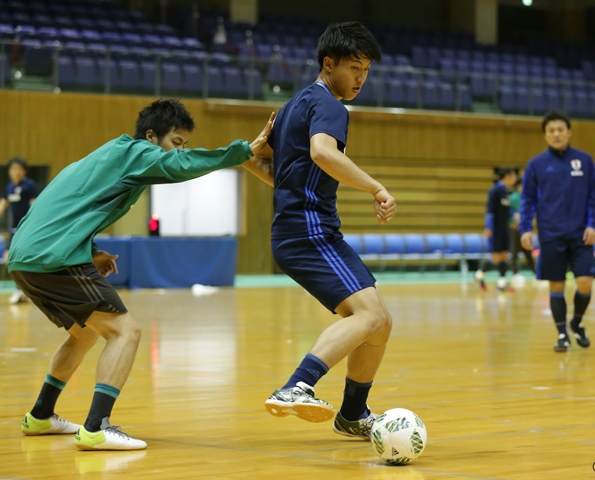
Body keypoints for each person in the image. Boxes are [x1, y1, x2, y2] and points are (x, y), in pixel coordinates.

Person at [10, 99, 274, 450]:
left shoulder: (107, 156)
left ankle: (41, 415)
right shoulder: (135, 152)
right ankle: (97, 427)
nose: (180, 151)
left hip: (24, 258)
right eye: (176, 143)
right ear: (151, 136)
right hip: (53, 257)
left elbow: (64, 208)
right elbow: (179, 166)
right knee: (126, 331)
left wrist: (90, 252)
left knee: (84, 334)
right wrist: (242, 150)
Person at [257, 22, 395, 440]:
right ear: (328, 63)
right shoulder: (331, 106)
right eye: (354, 68)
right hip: (310, 231)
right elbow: (322, 151)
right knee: (368, 314)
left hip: (295, 232)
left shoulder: (294, 105)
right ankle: (297, 386)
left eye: (366, 70)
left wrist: (248, 157)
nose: (360, 79)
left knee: (380, 321)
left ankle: (353, 413)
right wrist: (376, 187)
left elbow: (271, 170)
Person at [520, 110, 595, 352]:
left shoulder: (584, 161)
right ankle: (562, 334)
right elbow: (528, 199)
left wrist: (593, 224)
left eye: (560, 130)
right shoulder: (536, 164)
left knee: (585, 282)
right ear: (545, 135)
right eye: (551, 131)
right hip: (551, 234)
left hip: (580, 234)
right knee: (556, 286)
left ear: (569, 132)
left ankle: (576, 322)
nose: (556, 134)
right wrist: (525, 228)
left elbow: (593, 195)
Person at [0, 157, 39, 304]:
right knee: (8, 260)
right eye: (13, 169)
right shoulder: (9, 187)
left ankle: (21, 289)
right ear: (9, 171)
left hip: (25, 228)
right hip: (13, 229)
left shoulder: (29, 185)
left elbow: (34, 205)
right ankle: (23, 289)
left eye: (19, 169)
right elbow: (3, 204)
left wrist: (33, 225)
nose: (16, 172)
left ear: (24, 171)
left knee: (13, 259)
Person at [475, 168, 517, 291]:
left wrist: (512, 220)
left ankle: (502, 281)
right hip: (496, 229)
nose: (515, 179)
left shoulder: (506, 192)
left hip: (505, 228)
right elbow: (490, 211)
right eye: (514, 176)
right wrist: (488, 227)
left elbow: (506, 210)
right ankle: (480, 274)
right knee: (496, 257)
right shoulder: (494, 191)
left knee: (505, 255)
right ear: (508, 176)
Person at [509, 178, 536, 283]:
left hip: (525, 229)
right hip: (515, 228)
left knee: (528, 250)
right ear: (519, 185)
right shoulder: (513, 197)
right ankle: (515, 273)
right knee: (514, 250)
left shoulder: (527, 197)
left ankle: (535, 272)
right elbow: (508, 211)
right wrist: (512, 219)